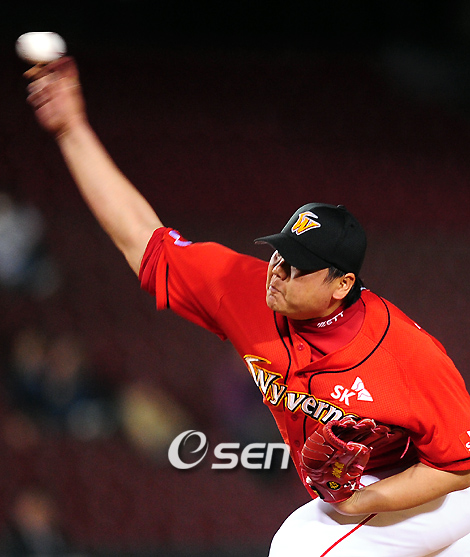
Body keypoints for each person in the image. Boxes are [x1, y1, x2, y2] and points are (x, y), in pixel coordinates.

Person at [23, 57, 470, 556]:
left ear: (341, 284)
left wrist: (360, 500)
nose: (278, 271)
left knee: (299, 547)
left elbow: (459, 466)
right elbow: (140, 238)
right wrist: (72, 130)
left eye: (298, 267)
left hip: (436, 489)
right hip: (383, 492)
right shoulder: (247, 291)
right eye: (280, 253)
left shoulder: (405, 352)